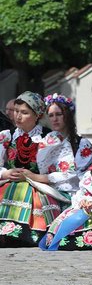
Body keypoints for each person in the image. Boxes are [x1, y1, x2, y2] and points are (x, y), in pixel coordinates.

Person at [0, 92, 77, 245]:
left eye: (24, 112)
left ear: (37, 115)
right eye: (16, 111)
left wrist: (34, 177)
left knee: (25, 193)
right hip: (7, 183)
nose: (18, 116)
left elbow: (68, 173)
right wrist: (6, 172)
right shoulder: (5, 137)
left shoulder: (52, 138)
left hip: (40, 188)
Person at [45, 94, 92, 175]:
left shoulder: (82, 145)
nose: (54, 119)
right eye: (51, 115)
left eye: (59, 114)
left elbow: (80, 176)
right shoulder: (45, 143)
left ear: (68, 115)